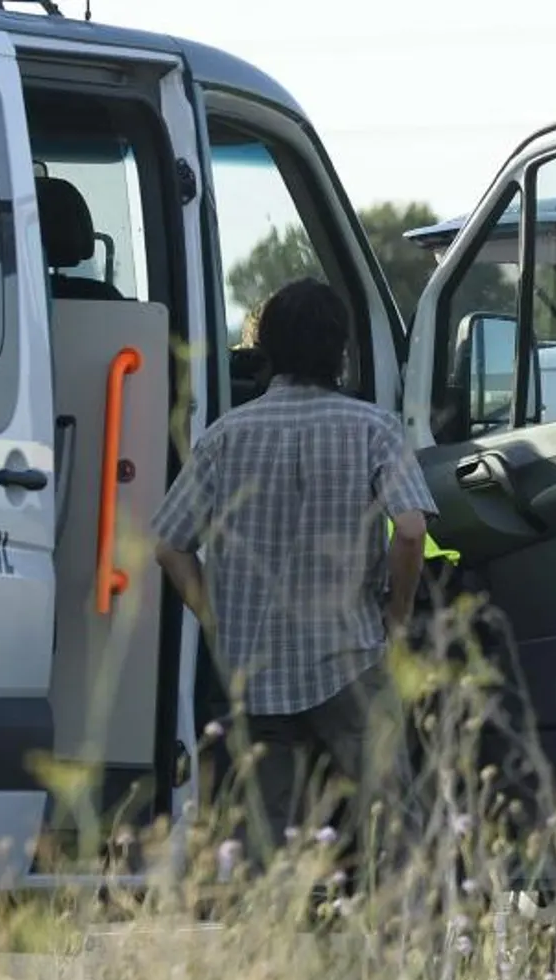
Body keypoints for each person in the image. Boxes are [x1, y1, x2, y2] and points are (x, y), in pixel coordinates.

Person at [151, 277, 438, 881]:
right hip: (349, 659)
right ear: (339, 350)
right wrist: (398, 611)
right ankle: (404, 946)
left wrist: (215, 618)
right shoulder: (373, 427)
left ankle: (267, 954)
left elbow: (168, 544)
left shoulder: (225, 437)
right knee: (395, 826)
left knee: (259, 838)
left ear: (267, 349)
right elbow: (411, 529)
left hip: (254, 669)